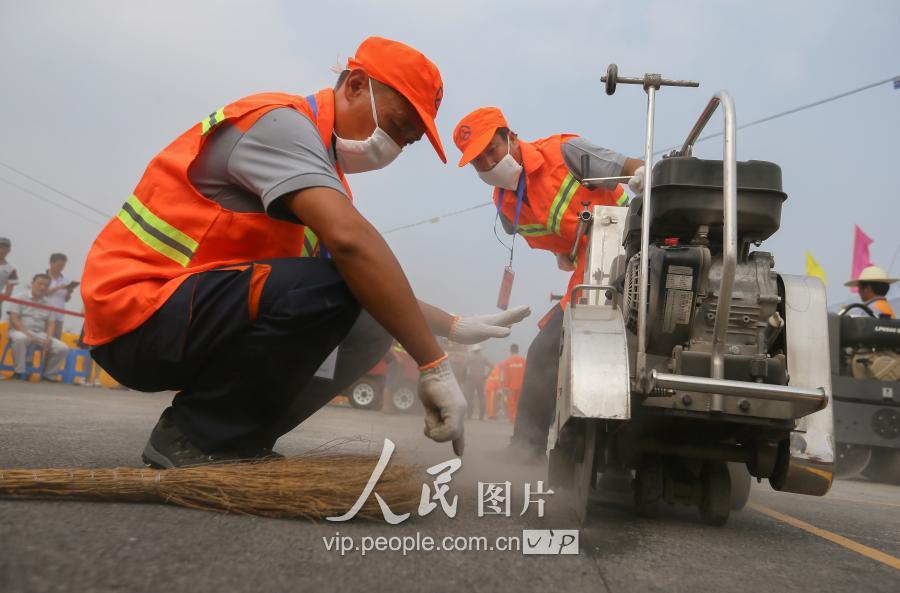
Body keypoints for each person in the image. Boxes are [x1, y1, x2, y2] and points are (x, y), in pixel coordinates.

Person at [80, 37, 529, 468]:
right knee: (349, 284)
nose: (393, 147)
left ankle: (236, 438)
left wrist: (453, 325)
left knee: (370, 323)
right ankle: (196, 434)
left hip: (189, 320)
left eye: (406, 142)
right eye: (395, 127)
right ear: (354, 85)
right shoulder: (280, 124)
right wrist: (433, 363)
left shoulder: (321, 180)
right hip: (136, 317)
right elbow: (352, 248)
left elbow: (364, 278)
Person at [453, 107, 643, 459]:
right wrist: (562, 252)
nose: (488, 164)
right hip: (587, 273)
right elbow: (554, 230)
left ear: (510, 136)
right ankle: (534, 446)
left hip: (626, 255)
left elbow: (628, 166)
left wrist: (643, 178)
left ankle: (528, 446)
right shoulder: (505, 204)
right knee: (547, 351)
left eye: (491, 150)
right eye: (478, 161)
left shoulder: (564, 153)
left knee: (549, 349)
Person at [6, 273, 69, 381]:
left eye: (45, 285)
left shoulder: (49, 303)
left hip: (40, 334)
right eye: (39, 284)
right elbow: (14, 318)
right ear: (32, 283)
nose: (42, 287)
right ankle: (19, 372)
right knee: (22, 338)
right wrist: (27, 333)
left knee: (62, 348)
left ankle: (48, 375)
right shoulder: (19, 297)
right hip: (19, 331)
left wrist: (48, 338)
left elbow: (51, 323)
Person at [45, 253, 77, 339]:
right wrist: (58, 287)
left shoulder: (66, 280)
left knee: (55, 343)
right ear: (51, 263)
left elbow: (66, 299)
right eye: (58, 265)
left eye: (63, 266)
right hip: (43, 314)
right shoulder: (43, 277)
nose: (60, 268)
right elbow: (41, 293)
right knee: (40, 340)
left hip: (59, 316)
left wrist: (69, 292)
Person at [497, 344, 526, 425]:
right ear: (518, 350)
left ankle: (512, 420)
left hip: (510, 387)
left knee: (511, 403)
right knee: (519, 403)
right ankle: (518, 419)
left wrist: (504, 386)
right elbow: (526, 374)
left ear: (511, 350)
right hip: (521, 386)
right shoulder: (523, 361)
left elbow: (504, 375)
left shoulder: (507, 361)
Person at [463, 344, 492, 420]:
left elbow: (464, 366)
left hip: (471, 378)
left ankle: (469, 415)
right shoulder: (484, 358)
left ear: (473, 350)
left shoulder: (470, 357)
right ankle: (481, 415)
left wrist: (466, 375)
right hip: (481, 379)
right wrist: (486, 376)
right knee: (481, 397)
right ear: (479, 350)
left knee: (470, 397)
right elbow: (492, 366)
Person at [0, 237, 18, 318]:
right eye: (0, 247)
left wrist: (2, 298)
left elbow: (9, 292)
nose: (2, 250)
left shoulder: (11, 270)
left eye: (4, 248)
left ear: (9, 250)